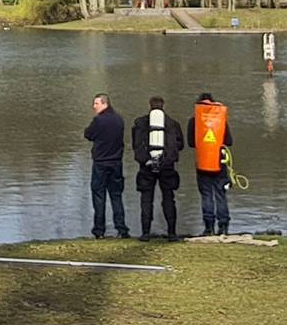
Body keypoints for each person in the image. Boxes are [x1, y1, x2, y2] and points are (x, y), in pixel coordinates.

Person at [132, 95, 186, 239]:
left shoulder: (140, 123)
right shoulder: (173, 124)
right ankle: (172, 233)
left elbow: (135, 144)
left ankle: (145, 233)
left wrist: (146, 159)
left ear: (149, 105)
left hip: (146, 167)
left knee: (146, 199)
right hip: (167, 166)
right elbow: (180, 145)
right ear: (163, 106)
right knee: (168, 198)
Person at [83, 93, 130, 238]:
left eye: (96, 103)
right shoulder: (119, 119)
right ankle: (122, 229)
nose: (94, 106)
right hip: (116, 162)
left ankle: (99, 230)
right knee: (116, 196)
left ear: (104, 103)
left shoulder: (99, 120)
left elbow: (88, 135)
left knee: (99, 196)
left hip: (101, 163)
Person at [192, 91, 233, 236]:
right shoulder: (220, 119)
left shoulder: (195, 120)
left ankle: (208, 227)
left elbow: (191, 142)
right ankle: (224, 226)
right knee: (220, 194)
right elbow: (229, 141)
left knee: (206, 195)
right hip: (219, 164)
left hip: (202, 164)